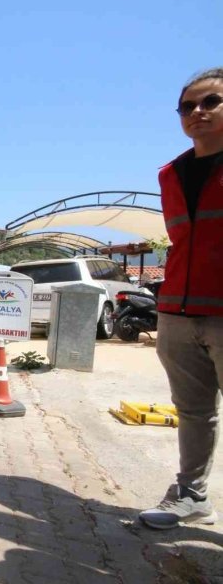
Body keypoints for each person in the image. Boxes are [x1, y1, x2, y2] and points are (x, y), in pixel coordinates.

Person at [140, 68, 223, 530]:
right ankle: (192, 496)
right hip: (178, 312)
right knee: (193, 412)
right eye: (188, 106)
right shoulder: (170, 173)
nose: (198, 112)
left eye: (210, 102)